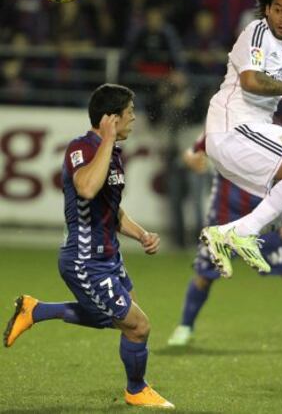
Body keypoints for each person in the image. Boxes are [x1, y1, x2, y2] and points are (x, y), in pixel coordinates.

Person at [3, 84, 174, 410]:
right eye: (129, 112)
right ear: (111, 119)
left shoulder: (113, 154)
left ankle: (36, 310)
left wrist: (141, 234)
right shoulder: (80, 148)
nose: (134, 118)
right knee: (138, 326)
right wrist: (107, 140)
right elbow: (85, 187)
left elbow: (113, 210)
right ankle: (136, 390)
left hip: (109, 254)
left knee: (121, 317)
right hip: (85, 259)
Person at [168, 140, 282, 355]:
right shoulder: (222, 127)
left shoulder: (274, 134)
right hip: (225, 217)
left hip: (267, 217)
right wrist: (191, 158)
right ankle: (185, 327)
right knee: (204, 276)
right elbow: (191, 151)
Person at [201, 0, 282, 278]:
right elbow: (251, 81)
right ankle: (244, 232)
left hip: (250, 136)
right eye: (278, 10)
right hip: (233, 127)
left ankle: (231, 233)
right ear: (267, 8)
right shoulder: (257, 31)